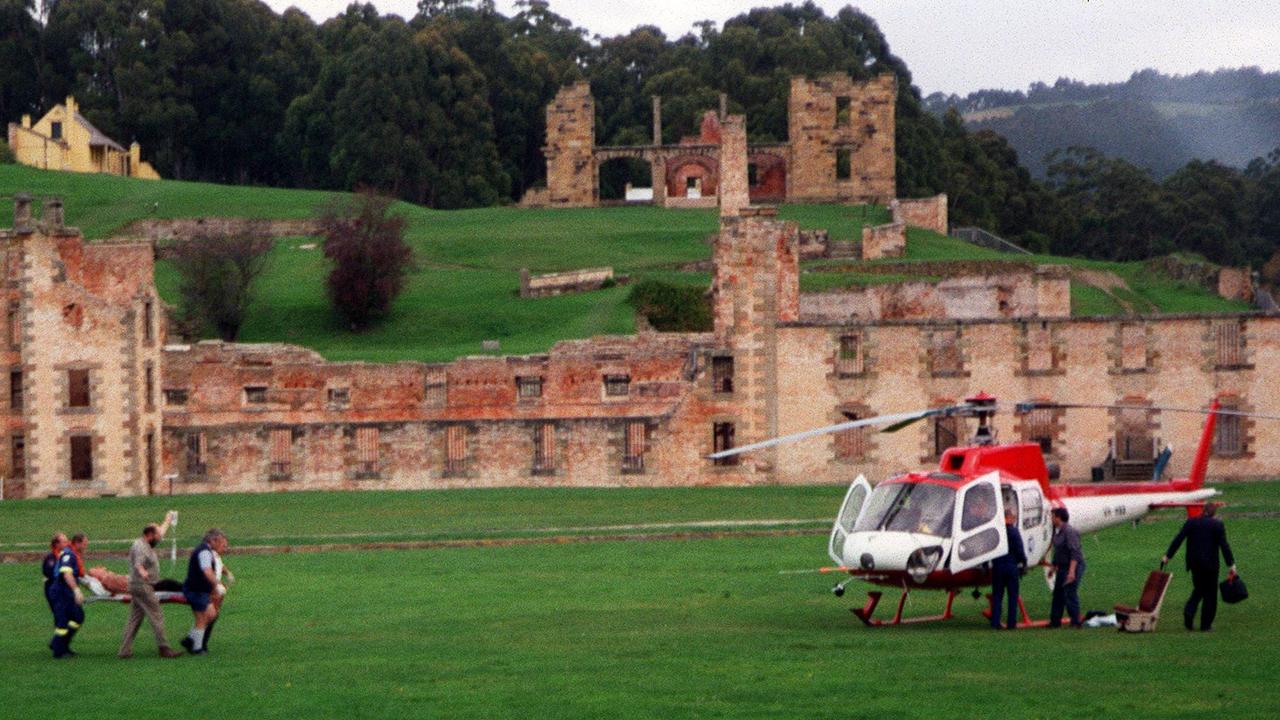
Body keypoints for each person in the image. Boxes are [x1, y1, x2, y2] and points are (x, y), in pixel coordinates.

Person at [1163, 502, 1238, 632]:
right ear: (1214, 513)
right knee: (1210, 595)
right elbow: (1224, 546)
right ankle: (1205, 625)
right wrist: (1231, 564)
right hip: (1210, 565)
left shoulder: (1191, 523)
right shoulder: (1217, 525)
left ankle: (1189, 610)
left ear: (1202, 511)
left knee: (1199, 589)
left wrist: (1168, 555)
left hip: (1194, 564)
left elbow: (1179, 539)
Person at [118, 511, 182, 659]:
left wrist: (167, 519)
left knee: (135, 618)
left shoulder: (146, 541)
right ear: (149, 535)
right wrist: (143, 573)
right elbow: (138, 563)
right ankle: (164, 648)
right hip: (142, 585)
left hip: (137, 585)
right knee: (156, 614)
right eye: (157, 535)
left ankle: (124, 651)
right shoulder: (141, 547)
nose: (160, 538)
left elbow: (161, 531)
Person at [181, 529, 228, 655]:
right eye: (220, 542)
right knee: (204, 616)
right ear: (213, 541)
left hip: (199, 589)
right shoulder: (204, 553)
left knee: (211, 614)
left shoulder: (205, 551)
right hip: (195, 590)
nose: (222, 546)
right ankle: (197, 648)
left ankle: (190, 640)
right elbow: (207, 571)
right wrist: (217, 585)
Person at [49, 534, 87, 658]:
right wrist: (76, 590)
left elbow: (76, 574)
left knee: (78, 616)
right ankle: (58, 650)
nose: (85, 547)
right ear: (78, 543)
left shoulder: (73, 555)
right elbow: (67, 574)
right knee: (62, 622)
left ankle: (60, 643)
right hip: (60, 592)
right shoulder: (68, 555)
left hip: (66, 592)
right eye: (84, 544)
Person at [1048, 507, 1085, 628]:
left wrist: (1071, 572)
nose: (1051, 519)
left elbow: (1074, 553)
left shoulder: (1070, 532)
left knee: (1070, 592)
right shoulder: (1058, 531)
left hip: (1073, 565)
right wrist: (1053, 566)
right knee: (1058, 593)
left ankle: (1075, 621)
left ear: (1058, 518)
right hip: (1062, 566)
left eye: (1053, 517)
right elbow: (1058, 551)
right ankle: (1055, 621)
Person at [990, 508, 1027, 629]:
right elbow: (1020, 550)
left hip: (998, 566)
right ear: (1009, 517)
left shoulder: (996, 532)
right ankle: (1011, 623)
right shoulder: (1014, 532)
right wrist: (1023, 562)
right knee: (1013, 596)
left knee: (997, 596)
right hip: (1011, 566)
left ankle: (995, 622)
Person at [42, 533, 69, 618]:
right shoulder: (51, 558)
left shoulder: (66, 556)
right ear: (57, 544)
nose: (67, 543)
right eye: (64, 542)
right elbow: (50, 573)